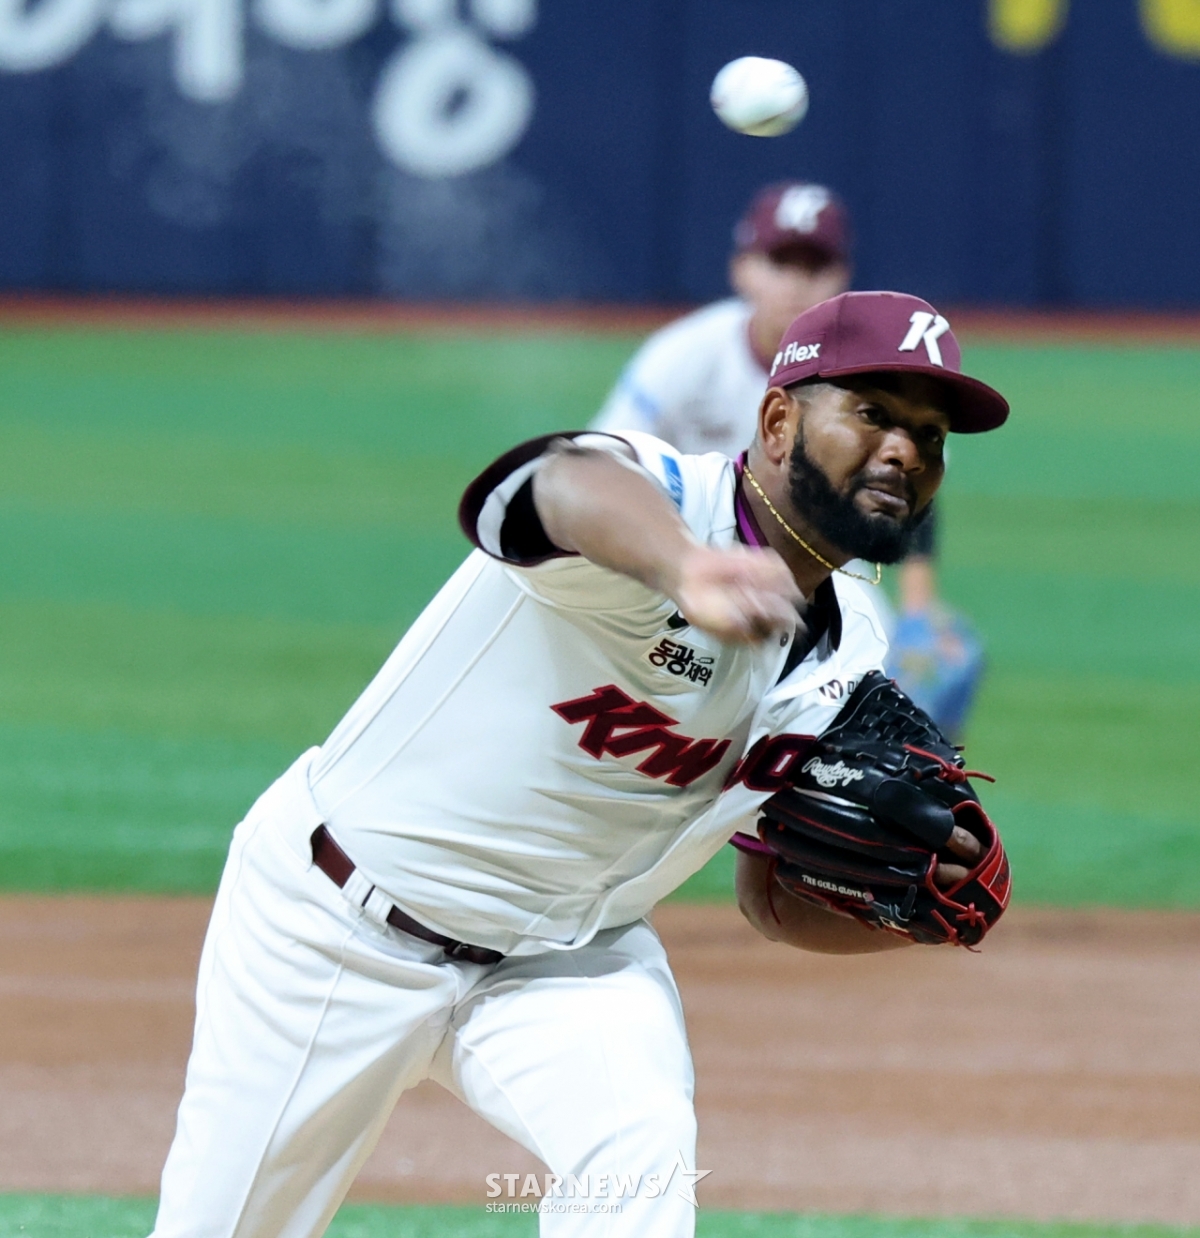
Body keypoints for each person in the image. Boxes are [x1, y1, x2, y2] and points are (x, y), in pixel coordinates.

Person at [148, 291, 1009, 1238]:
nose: (905, 451)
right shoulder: (670, 502)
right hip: (339, 923)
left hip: (568, 963)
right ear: (776, 421)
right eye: (874, 413)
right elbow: (555, 484)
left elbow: (770, 897)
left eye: (930, 436)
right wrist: (682, 566)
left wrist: (917, 907)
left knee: (641, 1163)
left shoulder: (855, 648)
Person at [594, 181, 982, 738]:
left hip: (822, 564)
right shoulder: (685, 355)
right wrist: (676, 561)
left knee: (893, 723)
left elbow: (905, 489)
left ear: (842, 276)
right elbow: (599, 465)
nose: (798, 283)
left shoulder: (871, 377)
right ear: (742, 270)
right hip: (687, 558)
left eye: (816, 266)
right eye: (781, 263)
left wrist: (919, 611)